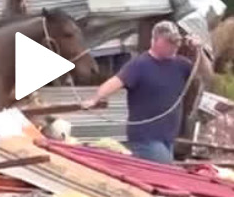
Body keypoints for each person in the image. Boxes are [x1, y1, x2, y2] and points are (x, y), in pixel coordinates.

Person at [81, 20, 196, 163]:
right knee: (164, 168)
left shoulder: (182, 65)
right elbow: (115, 82)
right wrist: (95, 98)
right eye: (169, 42)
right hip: (145, 137)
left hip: (168, 136)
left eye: (176, 42)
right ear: (155, 40)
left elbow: (203, 74)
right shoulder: (139, 65)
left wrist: (198, 50)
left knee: (163, 169)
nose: (174, 46)